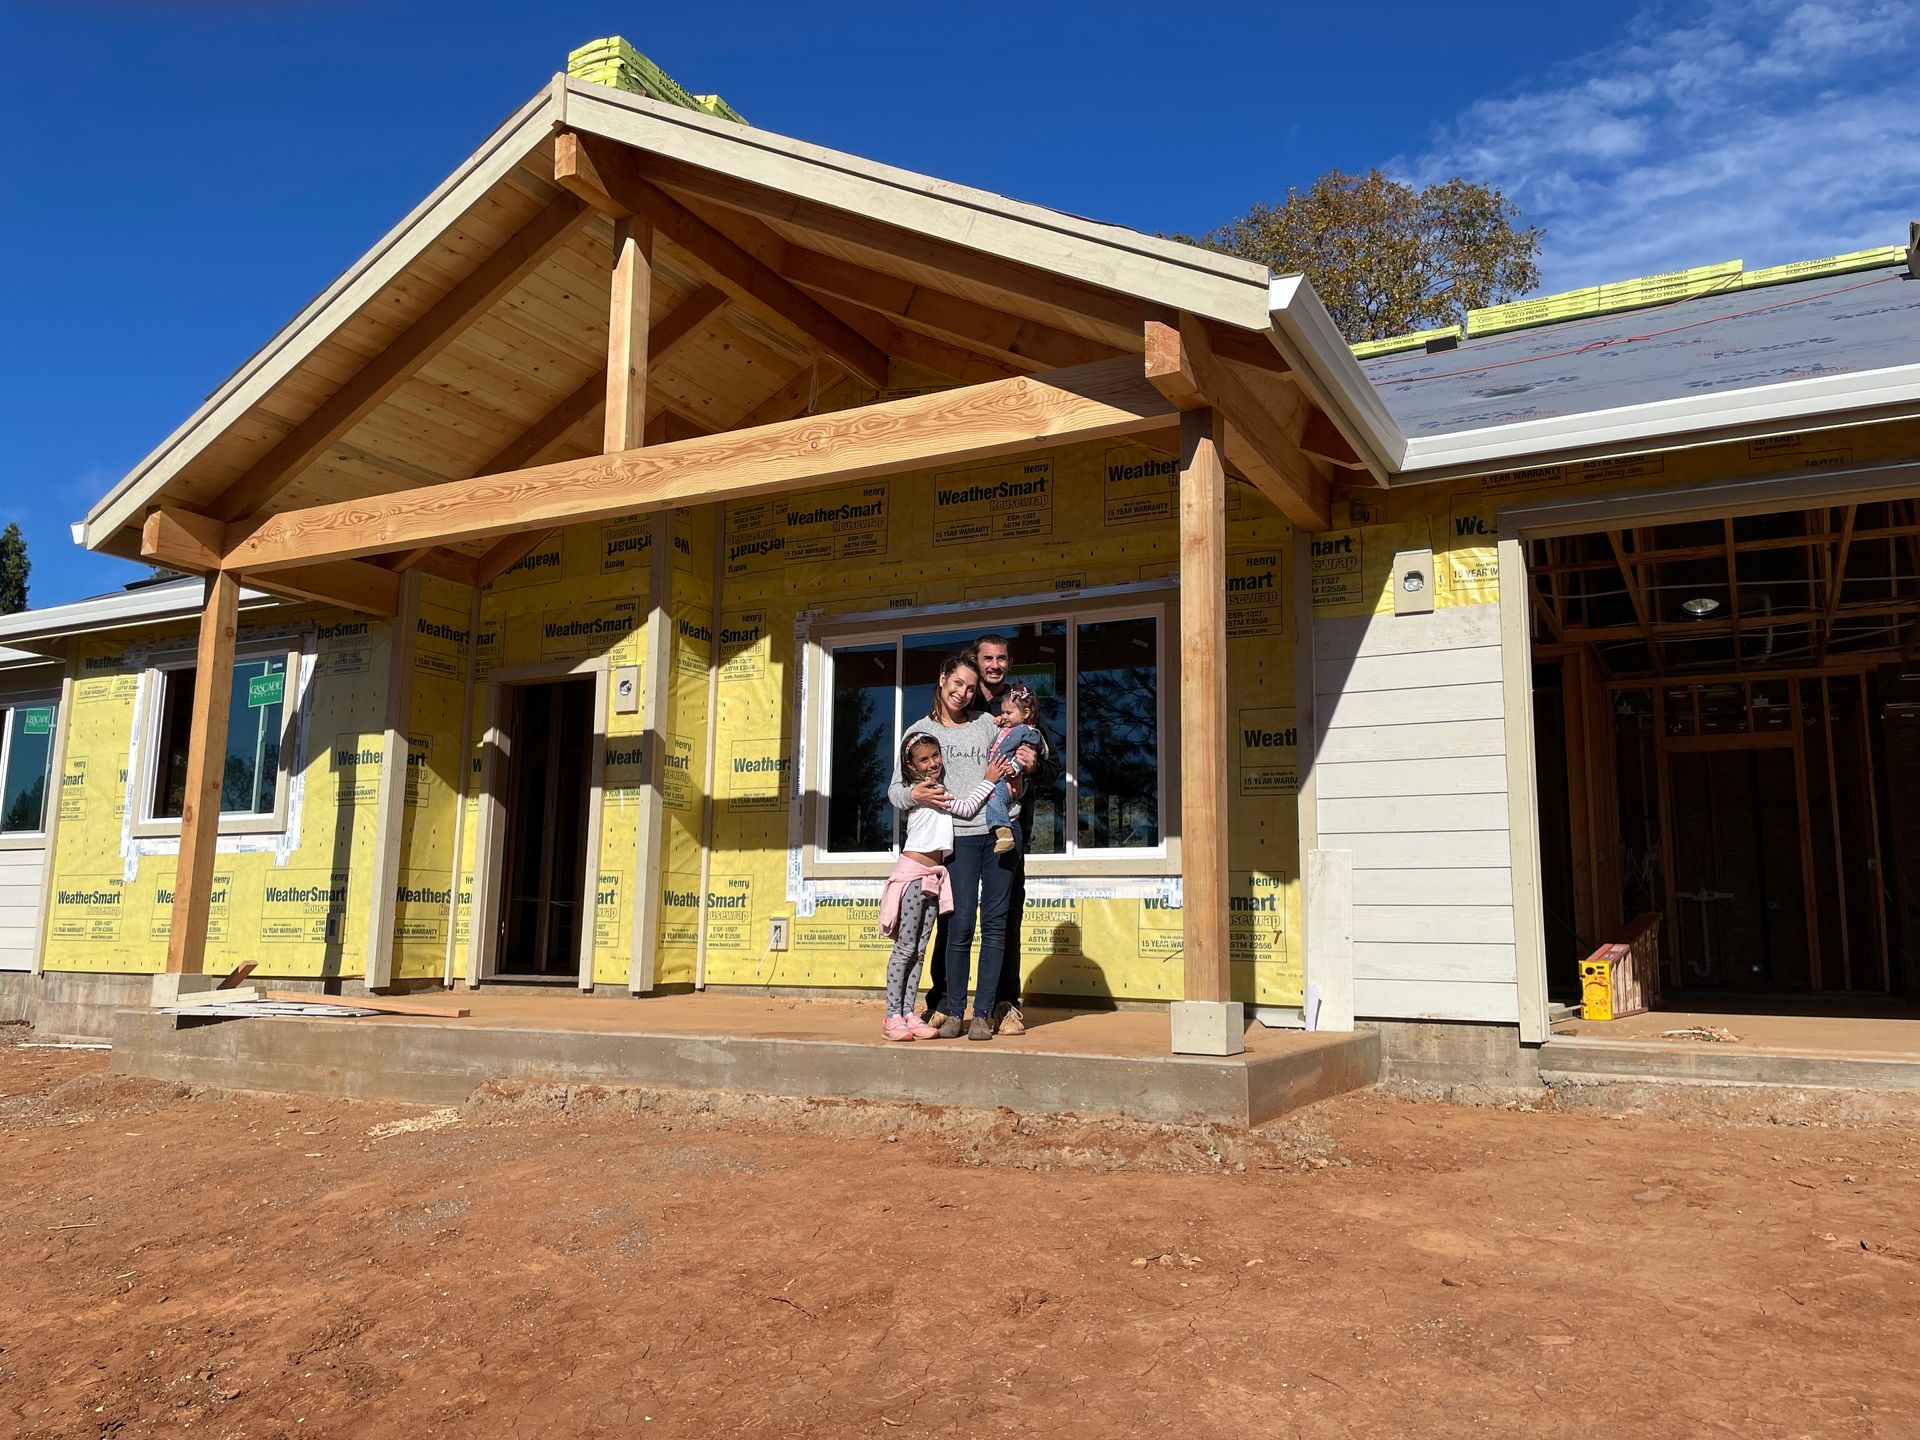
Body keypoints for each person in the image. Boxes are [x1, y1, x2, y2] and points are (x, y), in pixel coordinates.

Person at [886, 652, 1015, 1041]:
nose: (962, 692)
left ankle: (984, 1013)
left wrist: (1022, 763)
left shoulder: (985, 725)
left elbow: (1012, 763)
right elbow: (895, 792)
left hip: (993, 836)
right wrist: (915, 794)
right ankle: (951, 1009)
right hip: (952, 843)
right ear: (942, 680)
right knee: (957, 928)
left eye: (971, 687)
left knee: (994, 928)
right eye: (957, 683)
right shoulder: (919, 732)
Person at [875, 733, 1005, 1041]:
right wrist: (989, 780)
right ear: (910, 765)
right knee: (905, 948)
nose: (933, 763)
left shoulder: (936, 788)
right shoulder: (925, 790)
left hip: (933, 877)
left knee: (919, 951)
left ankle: (908, 1012)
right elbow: (967, 808)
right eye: (924, 759)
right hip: (912, 876)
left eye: (936, 756)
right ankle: (891, 1015)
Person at [964, 633, 1055, 1036]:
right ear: (976, 660)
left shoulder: (1028, 711)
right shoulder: (963, 705)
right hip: (964, 829)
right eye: (988, 658)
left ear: (1010, 662)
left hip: (1009, 831)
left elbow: (1054, 772)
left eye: (1001, 658)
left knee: (1006, 919)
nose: (994, 665)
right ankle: (944, 1002)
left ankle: (1006, 1005)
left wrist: (1034, 765)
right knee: (956, 916)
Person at [982, 683, 1044, 855]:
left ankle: (1004, 833)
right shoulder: (1009, 728)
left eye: (1008, 713)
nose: (1004, 716)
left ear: (1025, 714)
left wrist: (1015, 767)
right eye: (1003, 712)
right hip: (1000, 775)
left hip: (1010, 777)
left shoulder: (1028, 732)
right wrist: (1000, 721)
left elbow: (1025, 754)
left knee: (995, 799)